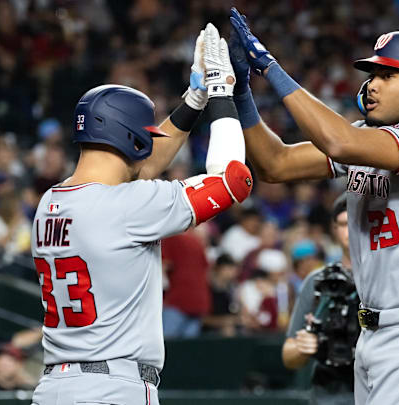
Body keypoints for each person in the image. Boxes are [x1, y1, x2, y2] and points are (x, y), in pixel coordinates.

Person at [228, 9, 399, 404]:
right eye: (372, 75)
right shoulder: (368, 137)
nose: (372, 85)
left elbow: (339, 142)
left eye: (387, 75)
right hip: (375, 333)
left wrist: (270, 68)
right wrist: (241, 95)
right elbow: (276, 165)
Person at [30, 24, 252, 405]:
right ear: (132, 140)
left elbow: (140, 170)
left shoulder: (51, 201)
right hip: (113, 388)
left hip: (54, 388)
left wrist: (193, 100)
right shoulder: (128, 206)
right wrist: (219, 92)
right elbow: (235, 179)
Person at [282, 194, 357, 404]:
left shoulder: (387, 277)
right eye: (343, 224)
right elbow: (289, 355)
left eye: (355, 222)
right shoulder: (320, 281)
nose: (350, 231)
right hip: (330, 391)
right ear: (334, 229)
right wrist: (305, 346)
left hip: (379, 387)